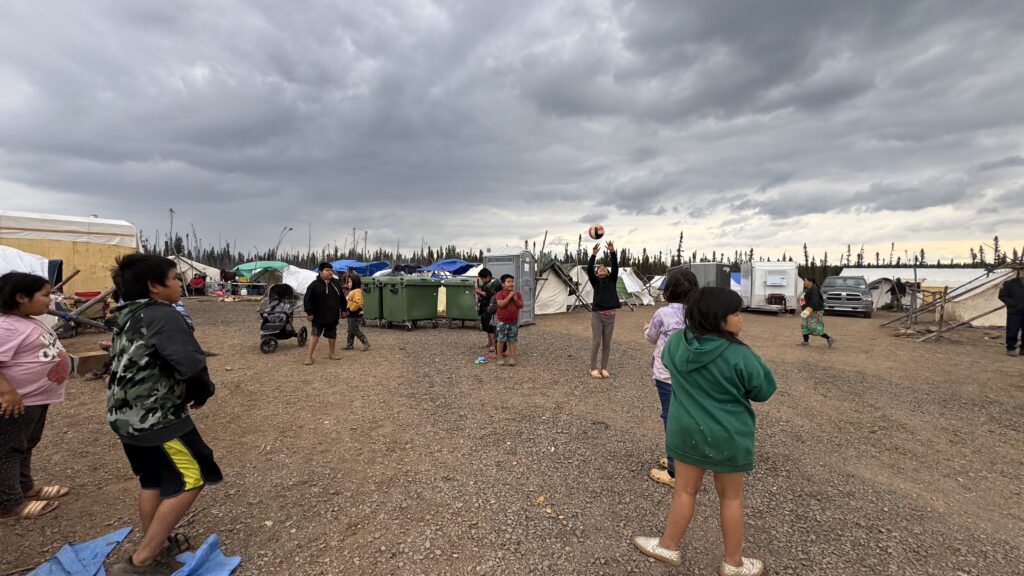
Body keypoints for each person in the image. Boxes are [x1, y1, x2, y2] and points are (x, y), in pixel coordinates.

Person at [633, 287, 776, 576]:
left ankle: (668, 545)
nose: (741, 318)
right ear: (718, 319)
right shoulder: (739, 355)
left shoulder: (676, 345)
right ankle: (733, 563)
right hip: (729, 435)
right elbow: (764, 390)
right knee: (731, 497)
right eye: (736, 313)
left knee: (685, 491)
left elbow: (669, 365)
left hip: (686, 431)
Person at [106, 254, 220, 575]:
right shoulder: (163, 315)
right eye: (174, 277)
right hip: (156, 418)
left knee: (153, 480)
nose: (180, 283)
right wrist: (201, 391)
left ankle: (158, 546)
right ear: (154, 286)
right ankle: (141, 562)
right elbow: (191, 362)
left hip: (124, 415)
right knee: (192, 476)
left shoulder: (127, 315)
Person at [0, 272, 71, 522]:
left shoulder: (29, 319)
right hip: (16, 402)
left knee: (27, 443)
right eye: (45, 295)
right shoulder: (5, 326)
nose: (50, 300)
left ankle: (25, 488)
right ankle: (8, 504)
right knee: (8, 450)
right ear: (21, 297)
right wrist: (6, 391)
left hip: (36, 399)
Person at [643, 269, 699, 489]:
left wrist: (646, 328)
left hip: (666, 375)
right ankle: (687, 460)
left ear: (669, 290)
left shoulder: (663, 314)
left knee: (670, 418)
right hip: (692, 376)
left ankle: (675, 469)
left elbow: (651, 337)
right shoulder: (698, 313)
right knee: (687, 416)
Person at [587, 241, 620, 378]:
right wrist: (594, 254)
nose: (602, 269)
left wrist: (612, 251)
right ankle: (593, 367)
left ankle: (604, 367)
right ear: (596, 272)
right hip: (597, 315)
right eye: (599, 268)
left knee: (607, 343)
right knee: (597, 342)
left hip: (611, 316)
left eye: (604, 268)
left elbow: (615, 266)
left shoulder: (612, 280)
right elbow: (589, 269)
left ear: (608, 272)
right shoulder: (596, 282)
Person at [303, 262, 344, 365]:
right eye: (327, 270)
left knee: (332, 335)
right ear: (320, 272)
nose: (330, 272)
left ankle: (331, 353)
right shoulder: (314, 285)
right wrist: (309, 312)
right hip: (318, 316)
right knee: (315, 335)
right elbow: (307, 299)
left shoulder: (336, 284)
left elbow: (342, 298)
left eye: (331, 270)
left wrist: (344, 310)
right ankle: (309, 357)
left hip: (332, 315)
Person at [494, 274, 525, 366]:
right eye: (508, 282)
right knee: (501, 340)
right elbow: (501, 304)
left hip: (513, 322)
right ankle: (499, 358)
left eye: (512, 281)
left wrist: (515, 298)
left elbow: (521, 305)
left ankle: (512, 358)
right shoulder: (500, 294)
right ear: (503, 284)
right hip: (502, 322)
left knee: (512, 340)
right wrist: (510, 296)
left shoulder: (517, 294)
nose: (511, 284)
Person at [799, 277, 834, 348]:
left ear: (810, 282)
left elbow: (815, 301)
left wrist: (809, 310)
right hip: (808, 310)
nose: (804, 282)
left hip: (815, 310)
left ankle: (829, 338)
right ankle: (806, 341)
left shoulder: (814, 289)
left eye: (805, 281)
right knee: (804, 325)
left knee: (815, 327)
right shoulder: (808, 289)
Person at [998, 265, 1024, 356]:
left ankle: (1023, 349)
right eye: (1022, 270)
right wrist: (1013, 304)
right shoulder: (1010, 283)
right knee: (1012, 331)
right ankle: (1011, 348)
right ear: (1019, 271)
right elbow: (1002, 296)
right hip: (1014, 311)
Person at [474, 268, 501, 356]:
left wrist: (480, 292)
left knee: (490, 326)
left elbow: (490, 295)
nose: (482, 280)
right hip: (484, 306)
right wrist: (478, 293)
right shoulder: (486, 283)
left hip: (491, 307)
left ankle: (494, 345)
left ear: (488, 276)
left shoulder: (495, 283)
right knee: (485, 325)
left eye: (483, 278)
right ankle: (489, 343)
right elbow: (483, 293)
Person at [344, 275, 370, 352]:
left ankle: (365, 342)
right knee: (350, 329)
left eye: (350, 282)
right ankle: (349, 344)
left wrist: (351, 310)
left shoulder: (357, 291)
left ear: (355, 282)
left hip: (355, 313)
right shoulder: (351, 291)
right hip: (351, 314)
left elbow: (358, 303)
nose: (348, 283)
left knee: (354, 329)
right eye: (348, 282)